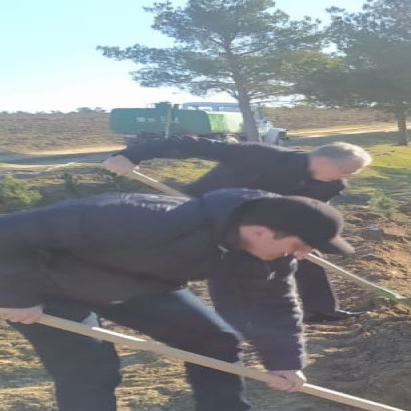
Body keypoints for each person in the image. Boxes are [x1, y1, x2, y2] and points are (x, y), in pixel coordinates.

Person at [0, 188, 357, 411]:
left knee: (214, 338)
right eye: (302, 244)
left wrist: (286, 363)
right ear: (263, 230)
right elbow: (8, 233)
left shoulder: (269, 256)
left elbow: (275, 303)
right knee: (90, 366)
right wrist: (14, 294)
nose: (303, 253)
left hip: (138, 285)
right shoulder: (134, 217)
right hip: (47, 290)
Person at [103, 134, 372, 323]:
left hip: (256, 221)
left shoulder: (331, 183)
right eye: (347, 170)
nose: (348, 178)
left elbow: (311, 213)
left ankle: (321, 310)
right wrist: (131, 155)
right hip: (201, 209)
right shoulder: (262, 156)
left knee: (305, 258)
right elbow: (188, 143)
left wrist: (306, 239)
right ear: (324, 161)